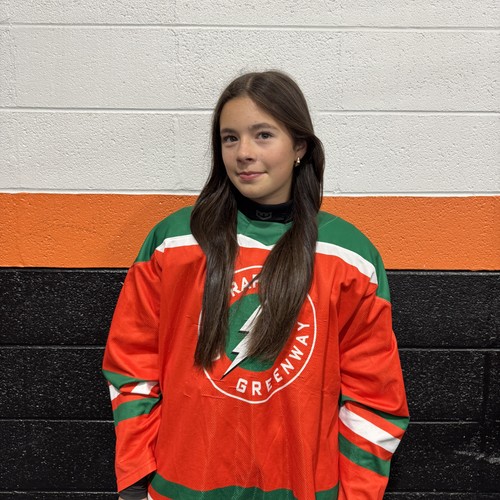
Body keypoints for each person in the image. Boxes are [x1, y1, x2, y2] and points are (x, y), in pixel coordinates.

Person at [103, 70, 409, 500]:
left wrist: (355, 496)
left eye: (263, 135)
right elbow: (131, 363)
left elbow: (375, 397)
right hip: (183, 489)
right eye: (230, 138)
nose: (243, 153)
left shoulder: (349, 256)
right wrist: (138, 475)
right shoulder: (174, 243)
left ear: (299, 146)